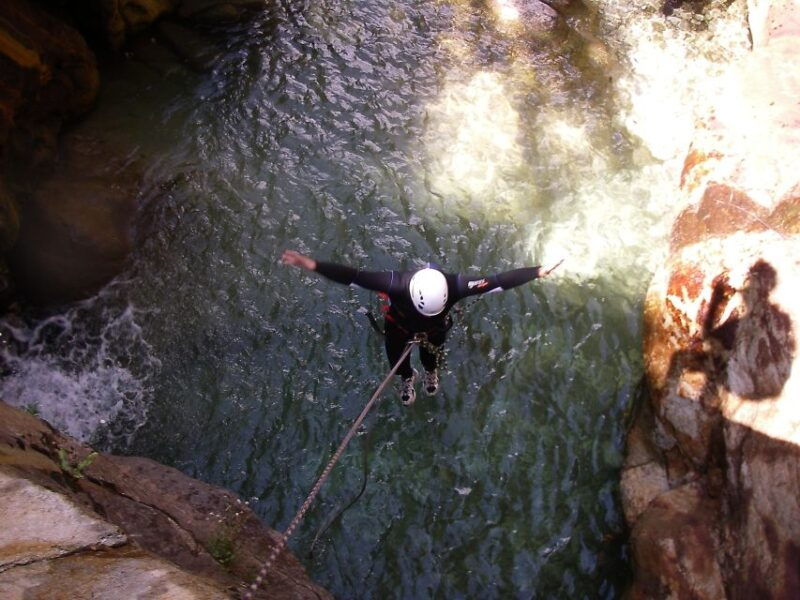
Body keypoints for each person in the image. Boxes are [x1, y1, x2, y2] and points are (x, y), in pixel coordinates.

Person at [281, 250, 562, 405]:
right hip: (399, 329)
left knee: (431, 358)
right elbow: (353, 276)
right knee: (396, 362)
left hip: (433, 331)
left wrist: (536, 271)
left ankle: (429, 374)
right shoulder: (395, 284)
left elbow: (498, 281)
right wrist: (312, 264)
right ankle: (408, 376)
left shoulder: (456, 286)